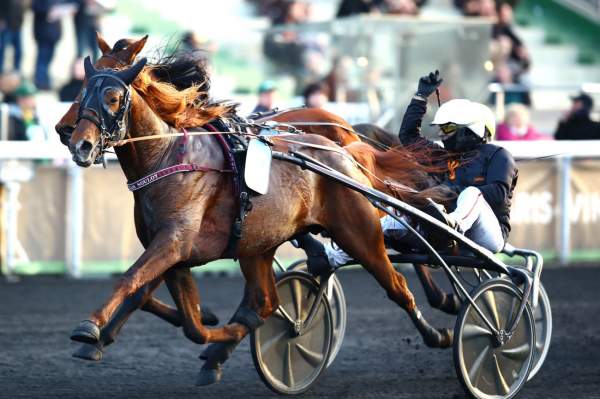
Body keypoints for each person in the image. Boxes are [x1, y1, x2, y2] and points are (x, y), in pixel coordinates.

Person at [297, 70, 518, 270]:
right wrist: (420, 97)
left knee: (473, 194)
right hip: (441, 230)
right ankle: (330, 257)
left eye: (448, 128)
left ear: (473, 130)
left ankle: (452, 226)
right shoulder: (443, 156)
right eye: (442, 129)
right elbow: (409, 137)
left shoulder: (498, 155)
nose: (442, 134)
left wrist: (449, 191)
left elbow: (498, 195)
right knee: (393, 217)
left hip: (486, 235)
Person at [0, 0, 29, 73]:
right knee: (2, 50)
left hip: (17, 26)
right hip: (7, 27)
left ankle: (17, 70)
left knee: (19, 50)